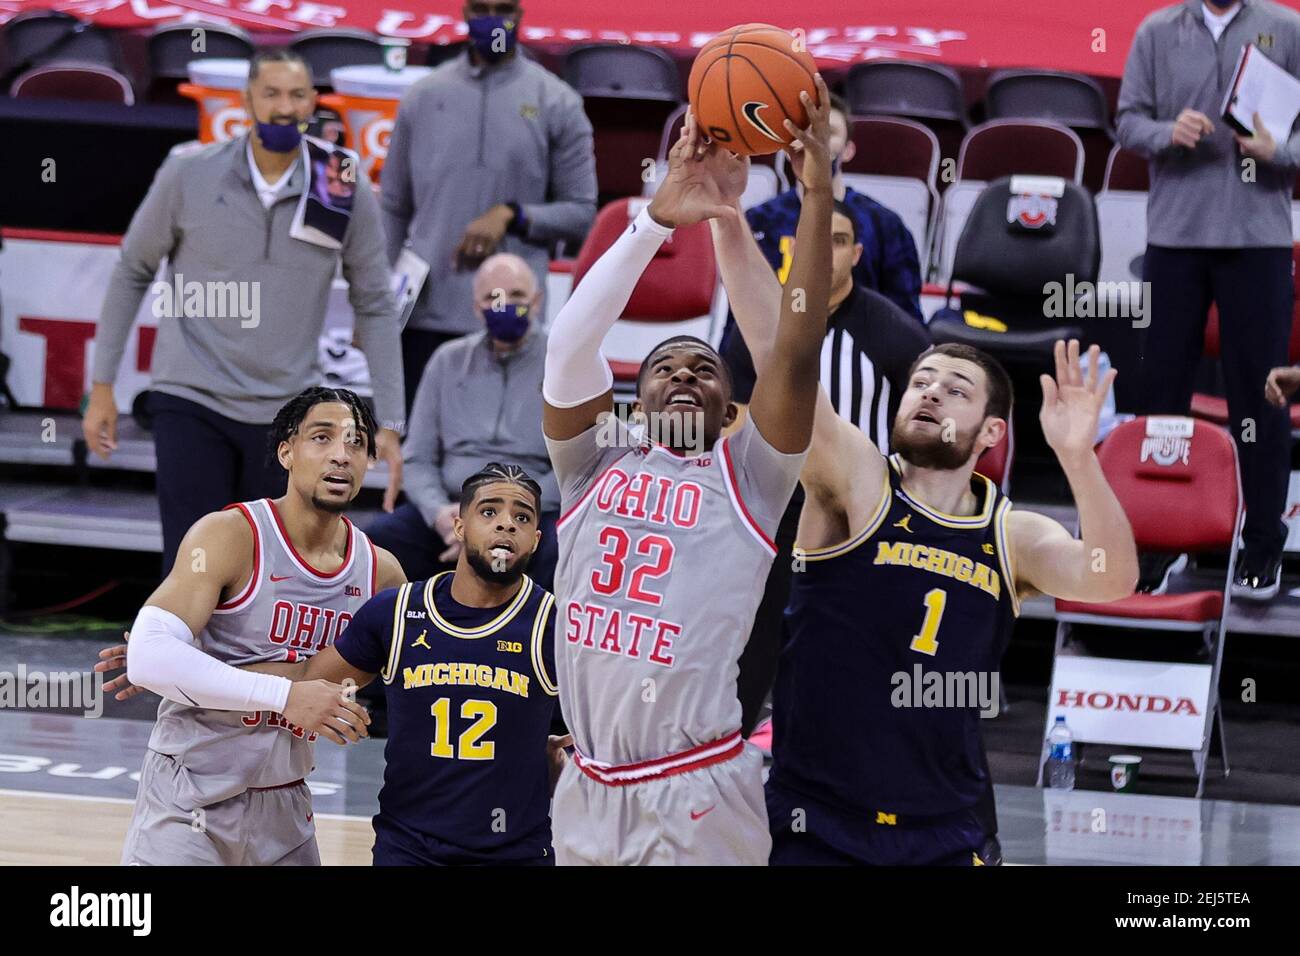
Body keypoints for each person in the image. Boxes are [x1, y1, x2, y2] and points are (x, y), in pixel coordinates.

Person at [717, 181, 1139, 862]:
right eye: (920, 381)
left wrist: (1079, 458)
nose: (930, 391)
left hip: (944, 830)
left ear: (990, 432)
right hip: (816, 821)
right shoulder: (857, 484)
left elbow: (1112, 578)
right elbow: (780, 355)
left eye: (955, 389)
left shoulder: (1011, 535)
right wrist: (728, 219)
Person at [540, 82, 833, 865]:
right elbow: (569, 346)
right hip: (588, 780)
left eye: (704, 368)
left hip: (696, 786)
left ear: (731, 406)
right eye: (664, 364)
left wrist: (813, 196)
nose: (682, 372)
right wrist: (656, 219)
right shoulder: (592, 463)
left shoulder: (752, 475)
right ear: (633, 402)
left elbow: (794, 352)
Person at [83, 49, 406, 573]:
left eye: (297, 94)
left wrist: (389, 418)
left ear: (313, 104)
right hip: (191, 393)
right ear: (246, 100)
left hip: (286, 411)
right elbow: (131, 271)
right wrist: (102, 386)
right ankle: (169, 655)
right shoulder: (189, 172)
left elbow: (375, 301)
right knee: (192, 566)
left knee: (267, 572)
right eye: (271, 93)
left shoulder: (339, 182)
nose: (284, 107)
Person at [101, 387, 407, 866]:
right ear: (286, 450)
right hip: (190, 793)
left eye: (355, 442)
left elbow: (435, 670)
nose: (340, 455)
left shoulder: (380, 572)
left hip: (286, 805)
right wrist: (287, 695)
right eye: (322, 437)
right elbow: (149, 655)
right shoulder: (230, 534)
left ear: (370, 459)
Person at [241, 463, 569, 865]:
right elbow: (305, 681)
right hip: (409, 850)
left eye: (521, 516)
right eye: (489, 511)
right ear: (459, 524)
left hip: (515, 854)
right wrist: (187, 673)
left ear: (536, 540)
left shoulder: (555, 624)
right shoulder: (396, 612)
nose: (506, 524)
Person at [720, 201, 931, 737]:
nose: (823, 251)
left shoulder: (894, 332)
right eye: (816, 239)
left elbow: (930, 433)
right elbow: (733, 423)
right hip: (777, 506)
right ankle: (729, 747)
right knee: (748, 647)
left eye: (838, 241)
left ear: (857, 254)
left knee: (846, 657)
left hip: (863, 513)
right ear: (790, 248)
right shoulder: (761, 329)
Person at [1117, 0, 1300, 599]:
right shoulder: (1155, 30)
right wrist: (1165, 133)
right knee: (1160, 392)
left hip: (1260, 241)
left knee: (1262, 394)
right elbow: (1126, 122)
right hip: (1174, 239)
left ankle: (1264, 543)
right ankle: (1157, 539)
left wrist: (1280, 151)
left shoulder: (1288, 29)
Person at [382, 0, 598, 411]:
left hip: (512, 315)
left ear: (521, 14)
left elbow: (582, 212)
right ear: (464, 13)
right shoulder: (422, 98)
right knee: (420, 454)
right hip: (426, 313)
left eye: (505, 9)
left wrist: (514, 215)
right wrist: (379, 303)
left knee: (505, 462)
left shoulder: (559, 103)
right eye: (482, 9)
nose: (494, 20)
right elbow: (392, 206)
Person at [366, 253, 560, 589]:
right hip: (452, 508)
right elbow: (418, 458)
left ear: (537, 301)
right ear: (475, 307)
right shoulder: (447, 361)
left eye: (516, 296)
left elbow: (576, 468)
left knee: (562, 550)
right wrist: (442, 515)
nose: (504, 305)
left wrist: (504, 513)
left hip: (533, 510)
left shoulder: (564, 366)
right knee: (375, 543)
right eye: (492, 297)